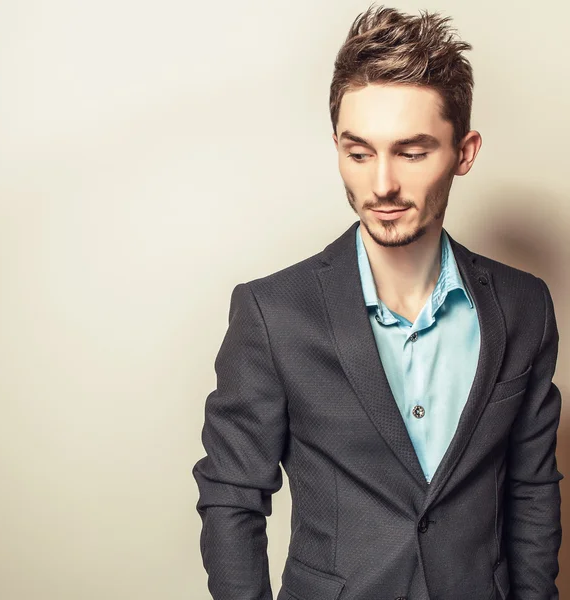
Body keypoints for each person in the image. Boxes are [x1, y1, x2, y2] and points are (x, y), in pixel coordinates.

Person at [192, 4, 563, 599]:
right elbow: (231, 497)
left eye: (412, 152)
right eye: (358, 152)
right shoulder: (272, 315)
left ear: (464, 153)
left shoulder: (524, 307)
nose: (381, 184)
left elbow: (531, 488)